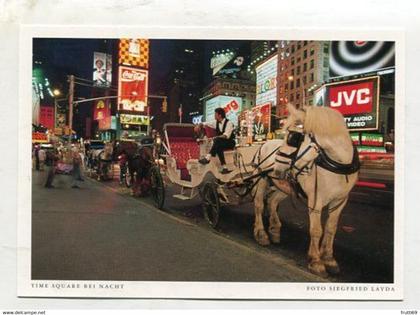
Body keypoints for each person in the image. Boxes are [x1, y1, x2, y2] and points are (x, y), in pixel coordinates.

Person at [196, 107, 235, 174]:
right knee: (218, 146)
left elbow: (226, 136)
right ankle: (224, 167)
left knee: (217, 141)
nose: (214, 116)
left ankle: (208, 157)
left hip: (229, 142)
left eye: (215, 114)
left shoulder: (229, 123)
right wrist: (199, 125)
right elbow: (205, 123)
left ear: (219, 115)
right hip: (220, 142)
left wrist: (214, 138)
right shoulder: (215, 122)